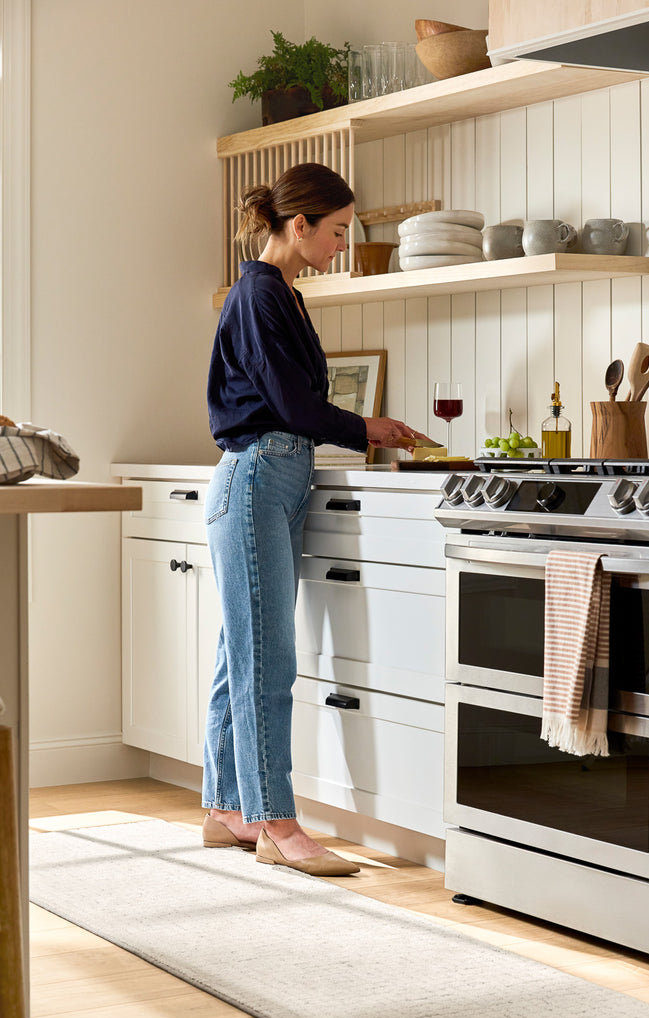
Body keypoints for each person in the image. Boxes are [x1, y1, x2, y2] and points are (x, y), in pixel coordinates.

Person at [202, 162, 419, 876]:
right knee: (267, 656)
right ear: (299, 226)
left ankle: (228, 807)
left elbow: (295, 404)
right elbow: (295, 407)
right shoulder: (261, 294)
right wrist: (367, 426)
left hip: (277, 472)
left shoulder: (281, 294)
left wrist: (360, 428)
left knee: (244, 649)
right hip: (260, 471)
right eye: (337, 232)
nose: (342, 245)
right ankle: (276, 823)